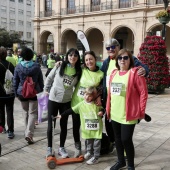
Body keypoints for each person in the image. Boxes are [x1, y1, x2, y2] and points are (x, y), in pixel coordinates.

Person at [101, 38, 149, 152]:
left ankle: (126, 152)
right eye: (108, 48)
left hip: (126, 101)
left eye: (113, 47)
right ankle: (116, 148)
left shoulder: (126, 58)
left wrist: (145, 70)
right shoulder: (106, 62)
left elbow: (143, 67)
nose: (111, 49)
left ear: (118, 47)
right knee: (110, 128)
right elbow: (99, 74)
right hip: (110, 100)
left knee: (125, 134)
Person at [106, 49, 148, 170]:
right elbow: (110, 93)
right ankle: (120, 161)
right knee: (117, 139)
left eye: (125, 58)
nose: (122, 60)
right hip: (115, 113)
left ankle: (130, 165)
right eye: (120, 58)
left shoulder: (135, 73)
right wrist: (108, 109)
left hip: (129, 114)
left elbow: (143, 93)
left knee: (126, 139)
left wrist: (141, 112)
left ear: (130, 60)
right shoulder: (114, 73)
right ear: (117, 60)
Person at [44, 48, 82, 158]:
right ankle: (49, 148)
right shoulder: (59, 66)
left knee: (64, 125)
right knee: (51, 125)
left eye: (75, 55)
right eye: (70, 55)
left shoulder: (79, 70)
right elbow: (50, 78)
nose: (72, 57)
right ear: (67, 56)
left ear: (78, 58)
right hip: (53, 99)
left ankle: (61, 148)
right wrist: (46, 89)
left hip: (66, 101)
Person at [57, 86, 104, 165]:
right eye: (86, 94)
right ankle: (89, 152)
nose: (87, 97)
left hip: (97, 129)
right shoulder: (81, 104)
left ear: (93, 97)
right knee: (89, 141)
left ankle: (96, 157)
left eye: (90, 96)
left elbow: (102, 109)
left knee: (96, 144)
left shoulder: (96, 104)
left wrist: (101, 112)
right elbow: (71, 110)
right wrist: (62, 115)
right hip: (87, 129)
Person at [71, 51, 104, 158]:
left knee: (89, 128)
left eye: (90, 59)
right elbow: (70, 65)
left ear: (95, 59)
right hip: (77, 103)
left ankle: (91, 150)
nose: (89, 61)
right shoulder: (81, 69)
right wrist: (60, 64)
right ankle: (78, 148)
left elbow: (102, 88)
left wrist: (98, 95)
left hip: (90, 105)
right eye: (86, 60)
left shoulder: (101, 74)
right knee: (76, 127)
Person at [13, 47, 44, 144]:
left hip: (22, 92)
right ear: (31, 56)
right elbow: (40, 80)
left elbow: (15, 81)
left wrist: (15, 93)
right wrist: (41, 91)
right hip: (34, 92)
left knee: (25, 112)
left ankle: (27, 132)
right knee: (33, 113)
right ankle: (29, 134)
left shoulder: (18, 67)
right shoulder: (36, 66)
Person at [0, 47, 15, 138]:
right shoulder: (11, 65)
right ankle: (11, 131)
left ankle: (2, 128)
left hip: (0, 94)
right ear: (6, 54)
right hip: (10, 93)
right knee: (10, 111)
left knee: (1, 111)